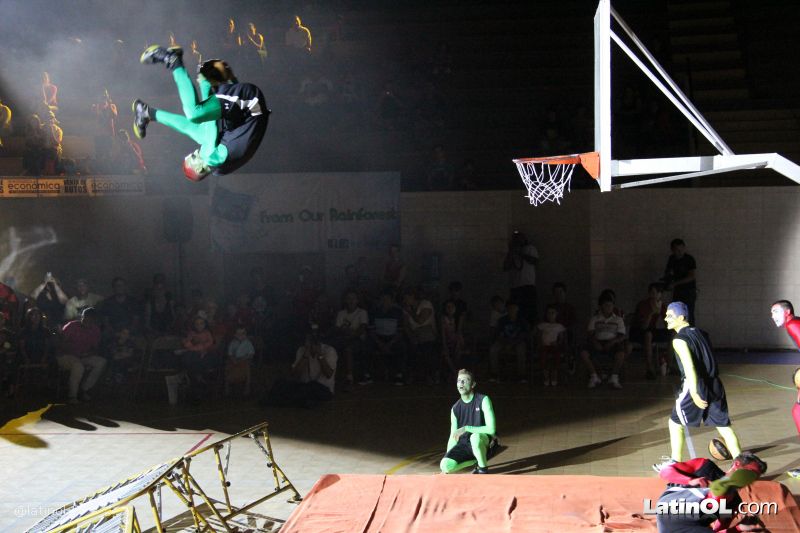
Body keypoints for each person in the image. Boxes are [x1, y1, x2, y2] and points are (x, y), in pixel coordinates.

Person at [133, 45, 269, 181]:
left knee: (198, 132)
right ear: (199, 168)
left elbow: (193, 128)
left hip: (244, 110)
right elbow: (210, 126)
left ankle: (148, 113)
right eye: (194, 156)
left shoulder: (220, 162)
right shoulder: (212, 159)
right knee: (193, 114)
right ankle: (173, 61)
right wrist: (205, 84)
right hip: (250, 104)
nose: (196, 152)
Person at [653, 302, 741, 472]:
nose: (665, 318)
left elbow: (690, 367)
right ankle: (741, 462)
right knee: (724, 426)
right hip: (715, 383)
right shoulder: (702, 333)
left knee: (675, 423)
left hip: (696, 384)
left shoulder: (679, 340)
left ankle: (674, 462)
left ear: (681, 317)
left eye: (670, 316)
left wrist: (694, 392)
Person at [655, 452, 767, 532]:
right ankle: (714, 493)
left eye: (754, 477)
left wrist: (739, 528)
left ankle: (716, 494)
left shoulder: (734, 502)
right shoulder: (705, 466)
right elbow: (665, 472)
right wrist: (690, 480)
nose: (750, 478)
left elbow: (719, 529)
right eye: (750, 472)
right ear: (736, 464)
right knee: (719, 495)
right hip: (671, 505)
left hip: (677, 527)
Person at [440, 369, 497, 474]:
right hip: (465, 444)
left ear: (473, 384)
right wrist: (448, 455)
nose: (461, 383)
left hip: (484, 441)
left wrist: (467, 428)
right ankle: (475, 459)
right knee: (445, 465)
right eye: (459, 381)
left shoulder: (483, 400)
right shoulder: (455, 409)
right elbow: (453, 436)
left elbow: (491, 429)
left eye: (465, 380)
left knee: (475, 438)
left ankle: (483, 469)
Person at [262, 328, 337, 408]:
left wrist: (320, 355)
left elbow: (329, 374)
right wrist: (305, 355)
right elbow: (295, 374)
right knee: (281, 384)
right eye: (308, 339)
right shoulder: (301, 350)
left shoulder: (329, 350)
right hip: (304, 386)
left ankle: (294, 401)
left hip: (323, 388)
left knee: (310, 388)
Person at [770, 299, 800, 477]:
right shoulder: (794, 323)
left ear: (787, 312)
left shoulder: (792, 325)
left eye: (775, 311)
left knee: (798, 412)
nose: (772, 316)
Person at [58, 307, 106, 403]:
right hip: (66, 356)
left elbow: (95, 348)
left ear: (94, 320)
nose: (86, 320)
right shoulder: (71, 326)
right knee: (78, 366)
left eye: (90, 319)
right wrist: (73, 351)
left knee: (101, 362)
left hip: (83, 356)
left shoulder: (95, 330)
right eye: (85, 317)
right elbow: (60, 344)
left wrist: (88, 354)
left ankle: (84, 389)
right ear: (81, 316)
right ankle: (73, 396)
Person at [581, 294, 627, 389]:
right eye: (606, 305)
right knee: (584, 353)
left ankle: (614, 377)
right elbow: (590, 334)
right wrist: (595, 342)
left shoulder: (618, 319)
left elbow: (622, 335)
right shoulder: (595, 318)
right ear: (601, 306)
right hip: (597, 341)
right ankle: (594, 376)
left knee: (621, 353)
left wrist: (613, 342)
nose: (608, 307)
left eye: (610, 305)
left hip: (613, 342)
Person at [631, 282, 670, 379]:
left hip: (652, 330)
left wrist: (667, 316)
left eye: (657, 293)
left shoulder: (662, 305)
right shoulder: (643, 305)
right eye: (652, 293)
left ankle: (668, 365)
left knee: (674, 334)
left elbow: (668, 326)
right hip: (638, 331)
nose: (655, 295)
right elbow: (644, 327)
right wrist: (652, 313)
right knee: (648, 334)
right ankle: (649, 368)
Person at [503, 230, 539, 325]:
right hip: (515, 286)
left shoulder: (530, 248)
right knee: (515, 312)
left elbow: (534, 261)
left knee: (529, 310)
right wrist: (511, 251)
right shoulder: (512, 252)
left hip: (527, 285)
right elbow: (505, 267)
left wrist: (520, 253)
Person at [662, 238, 697, 324]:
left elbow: (691, 277)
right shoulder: (672, 259)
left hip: (689, 291)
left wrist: (674, 284)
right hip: (678, 291)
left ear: (684, 248)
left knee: (689, 315)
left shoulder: (689, 259)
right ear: (672, 250)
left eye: (681, 249)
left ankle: (689, 332)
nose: (680, 252)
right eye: (677, 250)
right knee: (677, 314)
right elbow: (668, 272)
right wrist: (668, 281)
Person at [536, 304, 566, 387]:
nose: (550, 315)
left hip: (554, 346)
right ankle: (545, 374)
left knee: (557, 353)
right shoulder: (542, 325)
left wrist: (557, 343)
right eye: (548, 313)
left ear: (556, 314)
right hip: (544, 345)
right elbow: (538, 336)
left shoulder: (559, 326)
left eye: (553, 313)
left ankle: (554, 374)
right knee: (543, 354)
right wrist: (540, 343)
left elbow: (562, 338)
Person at [225, 326, 254, 396]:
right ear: (235, 335)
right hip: (235, 359)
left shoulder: (248, 343)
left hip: (245, 359)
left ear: (246, 334)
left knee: (247, 367)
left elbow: (251, 353)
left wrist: (244, 358)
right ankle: (227, 385)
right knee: (228, 366)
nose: (241, 335)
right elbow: (230, 353)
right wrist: (233, 359)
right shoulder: (233, 343)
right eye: (239, 334)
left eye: (243, 333)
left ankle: (247, 386)